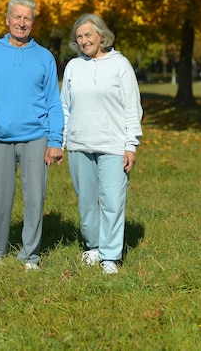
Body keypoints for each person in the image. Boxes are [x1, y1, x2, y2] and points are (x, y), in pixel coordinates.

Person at [0, 0, 64, 271]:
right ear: (7, 19)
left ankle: (30, 255)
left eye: (28, 18)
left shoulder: (44, 57)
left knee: (35, 198)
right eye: (17, 17)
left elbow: (53, 102)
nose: (22, 23)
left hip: (36, 137)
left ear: (33, 23)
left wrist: (55, 141)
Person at [61, 14, 142, 275]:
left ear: (101, 36)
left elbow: (132, 107)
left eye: (88, 35)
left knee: (112, 201)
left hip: (113, 145)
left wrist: (131, 144)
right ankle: (93, 246)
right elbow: (65, 107)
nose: (84, 41)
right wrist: (61, 140)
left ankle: (110, 255)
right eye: (80, 37)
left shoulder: (121, 65)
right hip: (79, 144)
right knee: (86, 201)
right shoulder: (73, 67)